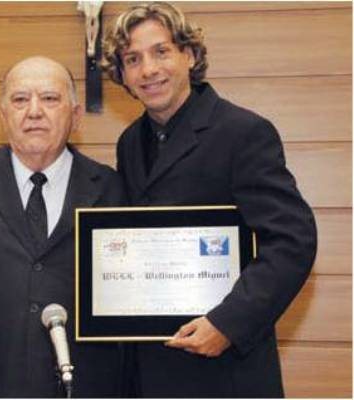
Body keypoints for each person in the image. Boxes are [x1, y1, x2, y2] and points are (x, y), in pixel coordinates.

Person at [101, 2, 317, 397]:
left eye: (161, 51)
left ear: (190, 54)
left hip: (225, 372)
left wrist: (228, 324)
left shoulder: (243, 132)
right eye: (133, 59)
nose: (148, 69)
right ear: (124, 76)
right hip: (149, 372)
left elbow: (293, 240)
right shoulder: (129, 143)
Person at [0, 56, 125, 397]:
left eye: (50, 99)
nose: (34, 111)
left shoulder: (112, 187)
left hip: (87, 385)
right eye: (20, 99)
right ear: (3, 116)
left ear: (76, 115)